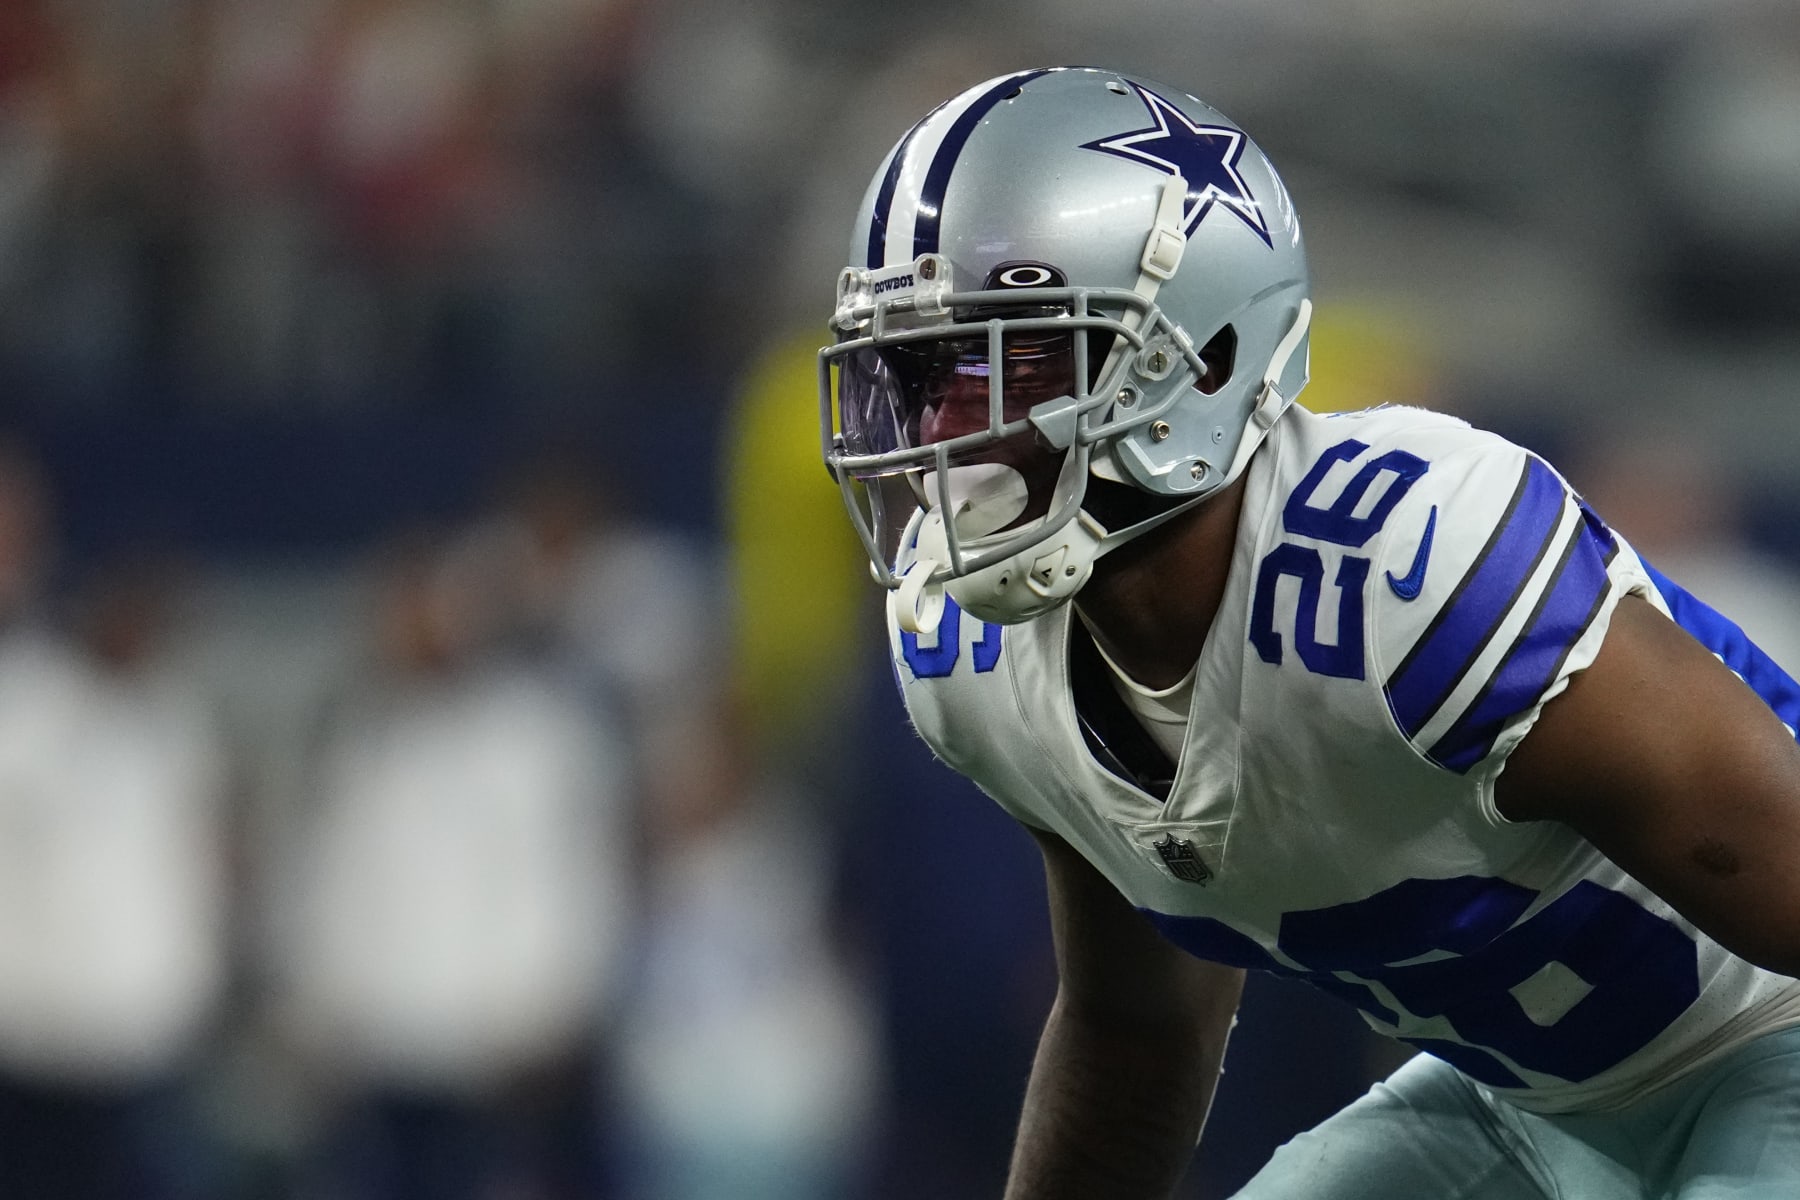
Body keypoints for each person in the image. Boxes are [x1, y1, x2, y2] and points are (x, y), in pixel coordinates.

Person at [815, 66, 1800, 1197]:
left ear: (1205, 357)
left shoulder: (1405, 571)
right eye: (920, 374)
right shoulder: (976, 658)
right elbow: (1136, 1031)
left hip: (1769, 1036)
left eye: (1009, 362)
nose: (943, 428)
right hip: (1525, 1103)